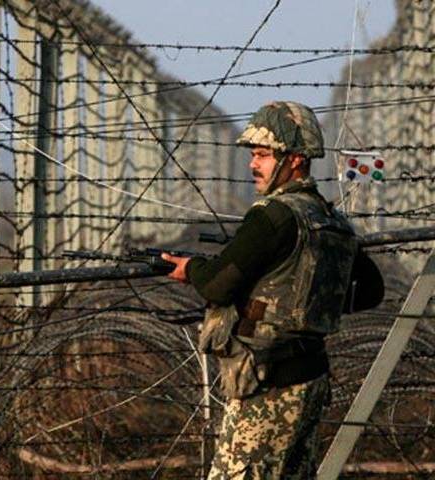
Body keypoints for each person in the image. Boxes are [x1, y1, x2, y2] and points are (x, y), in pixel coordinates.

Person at [161, 101, 384, 479]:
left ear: (295, 159)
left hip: (266, 384)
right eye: (253, 155)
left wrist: (190, 268)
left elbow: (217, 284)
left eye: (263, 155)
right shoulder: (330, 219)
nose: (253, 164)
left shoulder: (273, 216)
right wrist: (305, 302)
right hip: (309, 379)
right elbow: (370, 291)